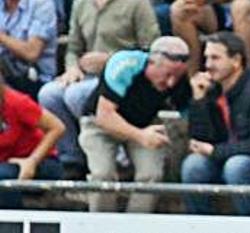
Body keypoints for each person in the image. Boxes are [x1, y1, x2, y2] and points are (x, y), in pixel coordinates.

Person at [38, 0, 160, 176]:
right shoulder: (81, 4)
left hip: (125, 77)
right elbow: (73, 47)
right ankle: (71, 158)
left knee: (76, 95)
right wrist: (72, 67)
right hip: (88, 74)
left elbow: (152, 49)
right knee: (49, 94)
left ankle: (111, 153)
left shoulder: (138, 4)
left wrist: (111, 60)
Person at [183, 31, 250, 215]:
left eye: (215, 58)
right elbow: (200, 140)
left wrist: (215, 151)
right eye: (206, 58)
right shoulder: (211, 88)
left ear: (236, 61)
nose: (208, 65)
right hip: (228, 155)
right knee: (193, 165)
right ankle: (200, 231)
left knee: (237, 166)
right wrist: (198, 100)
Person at [79, 36, 191, 212]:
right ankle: (100, 224)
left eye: (176, 77)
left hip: (144, 122)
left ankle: (135, 226)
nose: (171, 83)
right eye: (167, 75)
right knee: (103, 174)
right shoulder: (125, 64)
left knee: (151, 175)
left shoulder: (179, 80)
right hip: (102, 122)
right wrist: (141, 136)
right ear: (151, 62)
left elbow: (187, 114)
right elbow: (105, 115)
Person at [0, 73, 64, 208]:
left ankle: (11, 225)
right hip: (5, 163)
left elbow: (57, 127)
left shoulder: (16, 102)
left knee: (2, 176)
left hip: (41, 162)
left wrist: (32, 161)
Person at [0, 0, 57, 99]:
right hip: (4, 76)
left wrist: (2, 37)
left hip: (33, 78)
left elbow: (32, 53)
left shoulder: (42, 5)